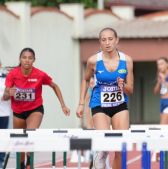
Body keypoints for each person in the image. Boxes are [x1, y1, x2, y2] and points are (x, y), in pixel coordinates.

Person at [2, 48, 70, 169]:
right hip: (18, 112)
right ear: (20, 59)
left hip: (35, 109)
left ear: (34, 60)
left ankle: (29, 162)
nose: (27, 60)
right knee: (20, 144)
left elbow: (54, 86)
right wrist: (9, 93)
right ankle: (22, 163)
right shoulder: (13, 74)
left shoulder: (39, 74)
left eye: (30, 58)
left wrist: (63, 105)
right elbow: (5, 96)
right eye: (24, 57)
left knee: (31, 135)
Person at [76, 27, 134, 169]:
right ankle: (99, 160)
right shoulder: (93, 61)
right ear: (100, 43)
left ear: (116, 40)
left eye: (110, 39)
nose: (107, 43)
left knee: (120, 149)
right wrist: (81, 103)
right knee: (104, 147)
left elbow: (130, 90)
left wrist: (123, 86)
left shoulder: (127, 61)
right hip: (99, 105)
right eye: (104, 40)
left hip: (120, 105)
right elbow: (85, 79)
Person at [153, 57, 168, 124]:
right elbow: (155, 92)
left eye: (162, 64)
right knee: (167, 126)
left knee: (163, 125)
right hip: (162, 101)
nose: (160, 66)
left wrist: (164, 81)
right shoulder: (160, 75)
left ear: (167, 64)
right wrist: (159, 82)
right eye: (158, 64)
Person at [0, 61, 12, 168]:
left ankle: (1, 161)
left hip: (3, 114)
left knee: (2, 138)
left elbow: (7, 95)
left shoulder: (6, 79)